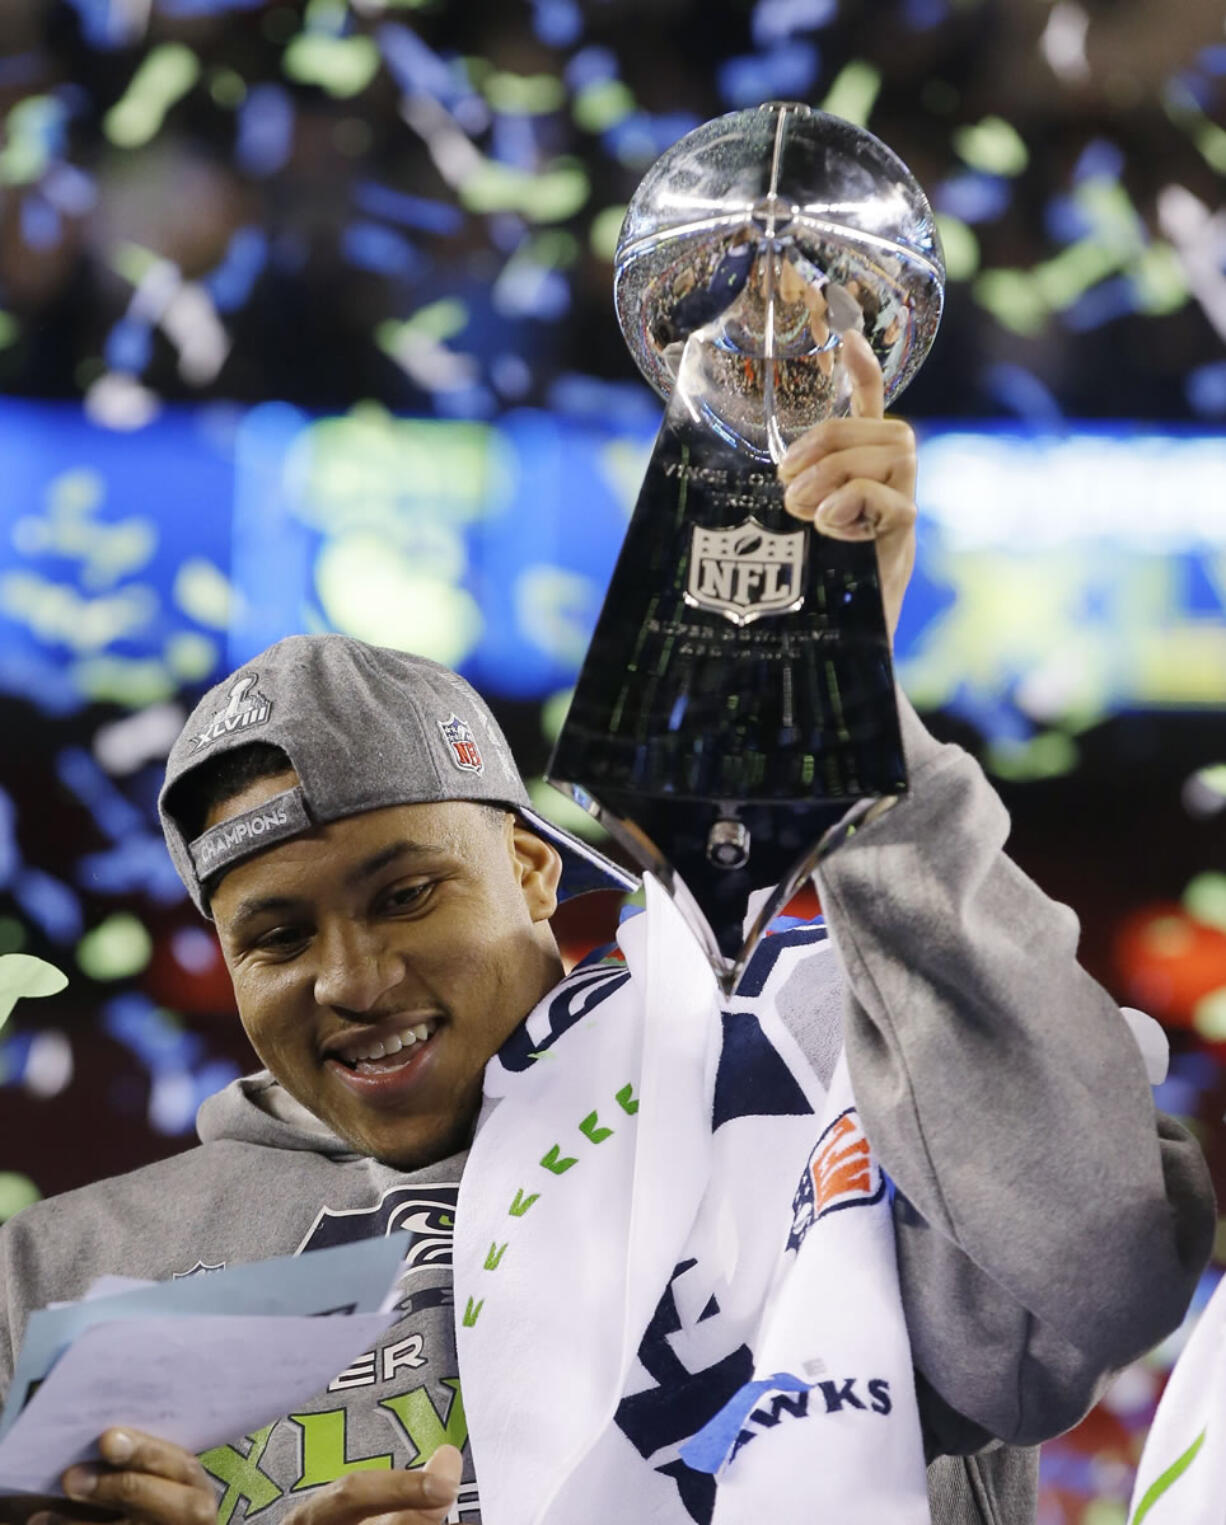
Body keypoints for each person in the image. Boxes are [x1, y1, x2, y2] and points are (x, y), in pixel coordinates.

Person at [0, 335, 1214, 1525]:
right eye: (275, 936)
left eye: (405, 894)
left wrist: (863, 745)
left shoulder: (800, 1068)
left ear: (532, 868)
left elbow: (1100, 1262)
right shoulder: (67, 1281)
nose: (352, 979)